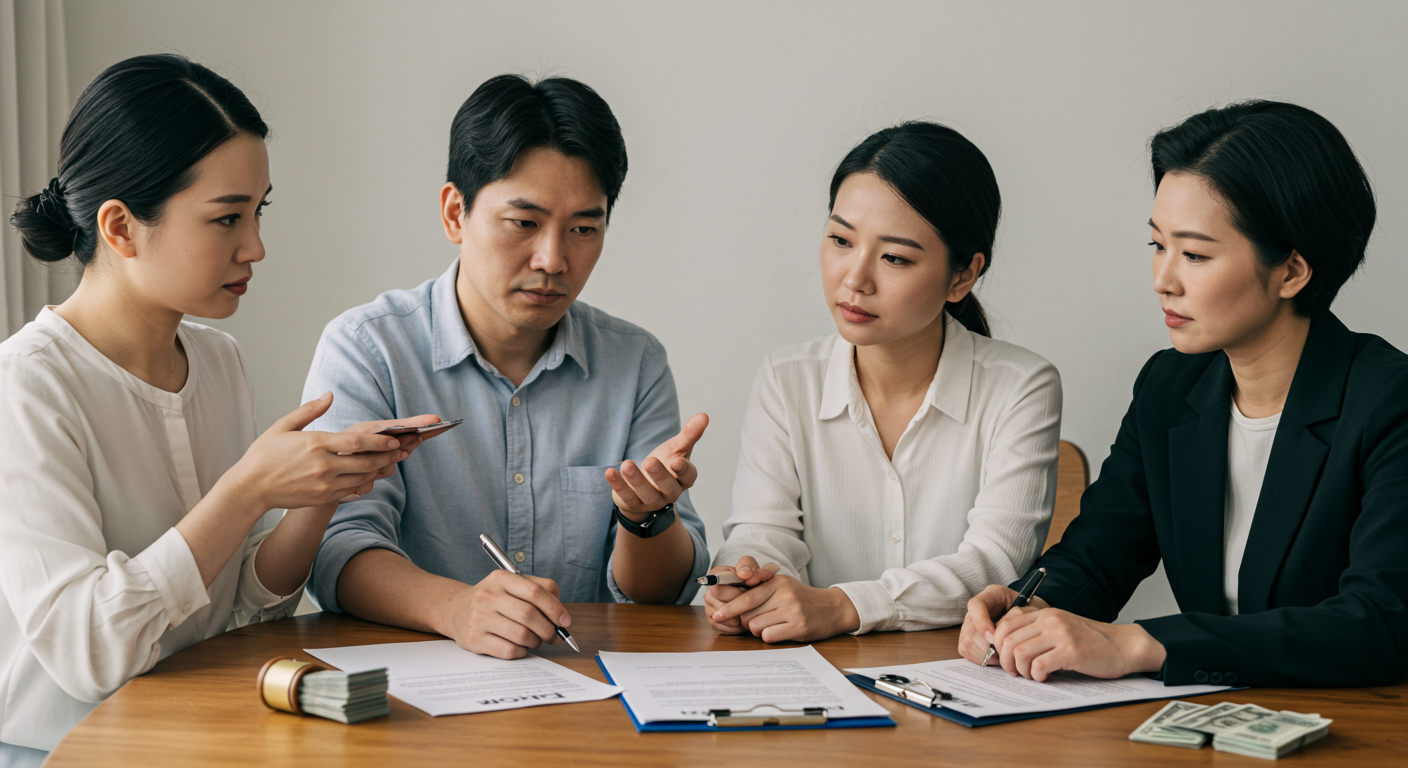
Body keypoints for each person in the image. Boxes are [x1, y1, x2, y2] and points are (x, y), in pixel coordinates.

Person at [0, 55, 441, 765]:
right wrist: (246, 490)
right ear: (120, 227)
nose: (256, 246)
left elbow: (242, 613)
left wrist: (322, 492)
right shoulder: (26, 386)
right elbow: (89, 654)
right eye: (227, 217)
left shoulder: (217, 361)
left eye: (258, 211)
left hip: (194, 735)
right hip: (62, 751)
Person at [959, 100, 1408, 689]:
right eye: (1157, 246)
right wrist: (1030, 609)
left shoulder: (1389, 402)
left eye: (1194, 254)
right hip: (1212, 723)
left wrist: (1142, 641)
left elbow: (1381, 622)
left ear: (1292, 271)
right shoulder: (1170, 387)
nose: (1163, 279)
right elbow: (1099, 554)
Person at [304, 74, 710, 660]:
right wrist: (455, 608)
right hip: (416, 691)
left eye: (583, 229)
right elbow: (337, 545)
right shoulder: (368, 349)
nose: (553, 259)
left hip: (587, 691)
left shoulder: (634, 361)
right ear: (454, 213)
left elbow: (661, 596)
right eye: (524, 223)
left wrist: (645, 520)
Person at [704, 122, 1063, 643]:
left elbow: (995, 562)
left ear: (962, 276)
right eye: (840, 240)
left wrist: (842, 605)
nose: (855, 278)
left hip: (957, 680)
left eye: (894, 257)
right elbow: (765, 530)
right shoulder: (787, 378)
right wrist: (745, 577)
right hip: (816, 673)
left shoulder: (1021, 386)